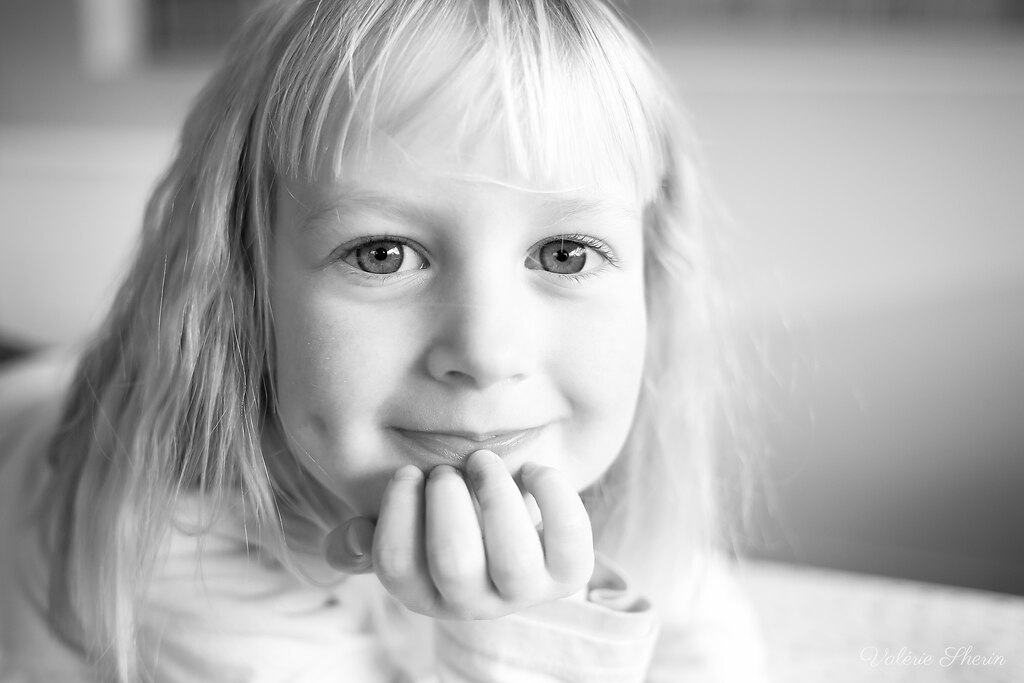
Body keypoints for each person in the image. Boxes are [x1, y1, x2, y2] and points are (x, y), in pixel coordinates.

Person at [0, 0, 767, 680]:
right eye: (382, 254)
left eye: (565, 253)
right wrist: (519, 633)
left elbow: (712, 643)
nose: (486, 351)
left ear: (651, 289)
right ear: (241, 292)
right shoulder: (173, 533)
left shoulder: (600, 482)